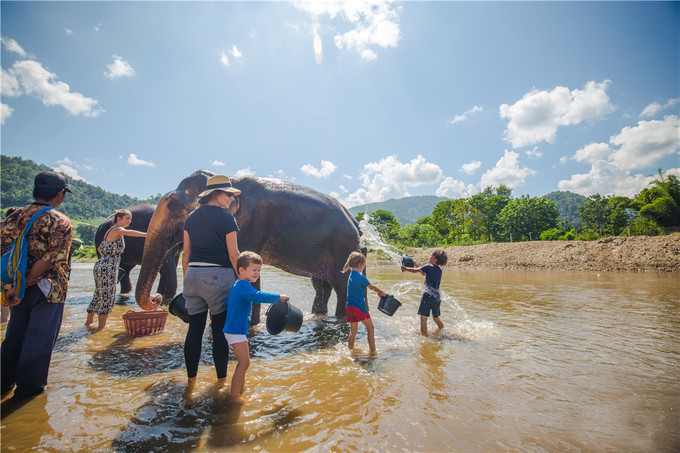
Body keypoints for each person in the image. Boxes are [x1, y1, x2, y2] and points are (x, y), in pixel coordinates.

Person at [1, 171, 74, 398]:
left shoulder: (14, 217)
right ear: (60, 194)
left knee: (15, 335)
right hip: (49, 290)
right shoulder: (60, 221)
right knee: (39, 339)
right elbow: (51, 258)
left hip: (15, 288)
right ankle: (29, 391)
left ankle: (4, 383)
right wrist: (28, 280)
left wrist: (14, 285)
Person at [182, 174, 241, 387]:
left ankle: (191, 381)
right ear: (215, 194)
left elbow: (186, 254)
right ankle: (221, 382)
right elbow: (234, 255)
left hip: (193, 276)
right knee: (219, 332)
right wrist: (243, 282)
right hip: (218, 277)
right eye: (228, 194)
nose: (231, 199)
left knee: (194, 330)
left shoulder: (191, 217)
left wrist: (186, 280)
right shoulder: (226, 218)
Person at [223, 251, 289, 401]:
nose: (257, 273)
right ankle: (234, 396)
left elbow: (227, 304)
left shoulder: (237, 285)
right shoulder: (243, 285)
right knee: (244, 363)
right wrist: (278, 297)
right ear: (241, 270)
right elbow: (258, 296)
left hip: (235, 330)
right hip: (236, 331)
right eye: (254, 270)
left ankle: (241, 387)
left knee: (243, 362)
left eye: (259, 270)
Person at [85, 209, 147, 330]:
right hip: (108, 267)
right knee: (108, 296)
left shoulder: (109, 231)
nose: (130, 221)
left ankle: (89, 323)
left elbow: (99, 248)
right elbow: (129, 232)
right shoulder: (117, 229)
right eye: (127, 218)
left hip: (101, 265)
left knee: (98, 295)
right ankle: (101, 328)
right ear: (118, 218)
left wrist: (106, 259)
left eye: (131, 219)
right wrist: (147, 234)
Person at [343, 251, 386, 353]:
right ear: (360, 265)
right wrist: (381, 293)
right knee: (371, 328)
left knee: (353, 330)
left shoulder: (351, 275)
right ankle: (373, 352)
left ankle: (350, 350)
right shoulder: (361, 277)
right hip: (359, 308)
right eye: (364, 265)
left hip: (350, 307)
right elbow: (372, 287)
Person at [401, 249, 448, 334]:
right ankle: (442, 331)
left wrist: (405, 268)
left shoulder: (428, 266)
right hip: (437, 296)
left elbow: (415, 271)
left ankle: (424, 337)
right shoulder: (439, 270)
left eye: (431, 255)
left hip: (427, 295)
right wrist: (417, 265)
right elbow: (424, 273)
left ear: (435, 259)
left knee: (423, 318)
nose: (429, 256)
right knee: (436, 318)